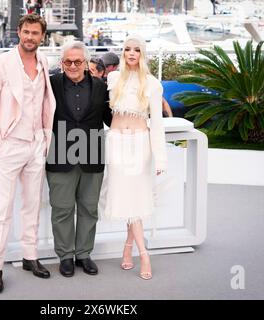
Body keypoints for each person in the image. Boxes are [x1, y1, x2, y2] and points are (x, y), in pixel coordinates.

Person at [0, 13, 56, 294]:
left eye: (35, 33)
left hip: (37, 143)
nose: (30, 37)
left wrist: (44, 140)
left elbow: (45, 101)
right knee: (1, 209)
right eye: (26, 32)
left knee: (32, 205)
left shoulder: (45, 62)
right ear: (18, 32)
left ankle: (30, 257)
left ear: (42, 36)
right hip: (9, 144)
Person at [46, 41, 112, 278]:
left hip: (92, 154)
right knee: (62, 209)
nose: (72, 65)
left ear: (86, 63)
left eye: (77, 61)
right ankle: (65, 256)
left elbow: (111, 119)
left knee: (89, 208)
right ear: (62, 63)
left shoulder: (101, 86)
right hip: (59, 153)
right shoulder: (50, 84)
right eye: (67, 61)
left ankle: (83, 254)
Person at [104, 35, 167, 280]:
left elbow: (157, 124)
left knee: (136, 199)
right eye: (128, 49)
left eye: (136, 49)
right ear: (123, 53)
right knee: (127, 199)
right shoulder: (112, 78)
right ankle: (135, 250)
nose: (131, 53)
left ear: (142, 54)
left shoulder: (152, 83)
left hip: (140, 144)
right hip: (116, 143)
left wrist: (160, 159)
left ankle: (138, 251)